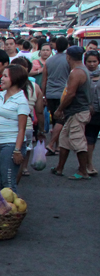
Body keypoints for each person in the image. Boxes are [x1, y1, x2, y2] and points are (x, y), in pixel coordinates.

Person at [52, 47, 94, 180]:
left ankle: (83, 171)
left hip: (78, 111)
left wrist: (60, 109)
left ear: (68, 57)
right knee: (64, 139)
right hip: (75, 111)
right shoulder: (82, 70)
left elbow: (70, 94)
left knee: (78, 141)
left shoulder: (76, 73)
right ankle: (59, 168)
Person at [42, 37, 71, 155]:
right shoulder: (69, 61)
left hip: (50, 93)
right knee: (62, 120)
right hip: (63, 94)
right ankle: (54, 144)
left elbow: (44, 79)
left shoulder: (49, 61)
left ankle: (57, 145)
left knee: (55, 120)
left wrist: (43, 94)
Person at [84, 50, 100, 176]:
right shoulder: (82, 75)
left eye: (94, 61)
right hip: (88, 111)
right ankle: (88, 164)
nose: (92, 64)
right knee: (90, 139)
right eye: (89, 61)